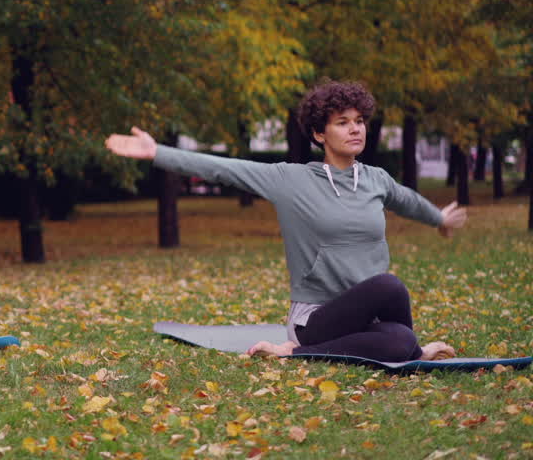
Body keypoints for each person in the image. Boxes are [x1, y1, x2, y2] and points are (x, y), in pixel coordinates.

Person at [104, 80, 466, 362]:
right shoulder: (290, 179)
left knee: (401, 340)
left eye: (359, 121)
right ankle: (295, 350)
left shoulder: (376, 179)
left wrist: (439, 218)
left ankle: (410, 351)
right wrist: (157, 152)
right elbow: (225, 169)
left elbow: (408, 201)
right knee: (390, 286)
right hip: (317, 319)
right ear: (319, 134)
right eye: (342, 123)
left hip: (363, 317)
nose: (355, 129)